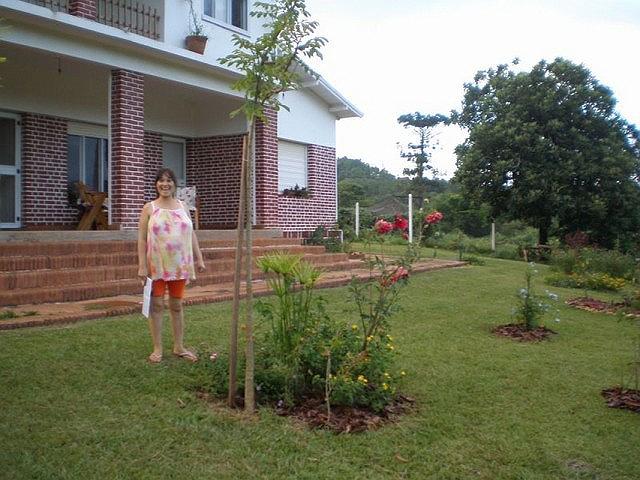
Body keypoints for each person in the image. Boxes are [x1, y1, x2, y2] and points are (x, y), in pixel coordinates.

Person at [137, 168, 206, 363]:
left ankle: (179, 346)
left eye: (168, 180)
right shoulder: (149, 208)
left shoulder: (183, 207)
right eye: (160, 180)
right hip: (156, 265)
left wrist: (199, 258)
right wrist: (142, 266)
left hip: (180, 265)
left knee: (177, 305)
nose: (164, 184)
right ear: (156, 184)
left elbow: (191, 233)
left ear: (174, 184)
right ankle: (157, 348)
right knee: (157, 305)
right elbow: (142, 239)